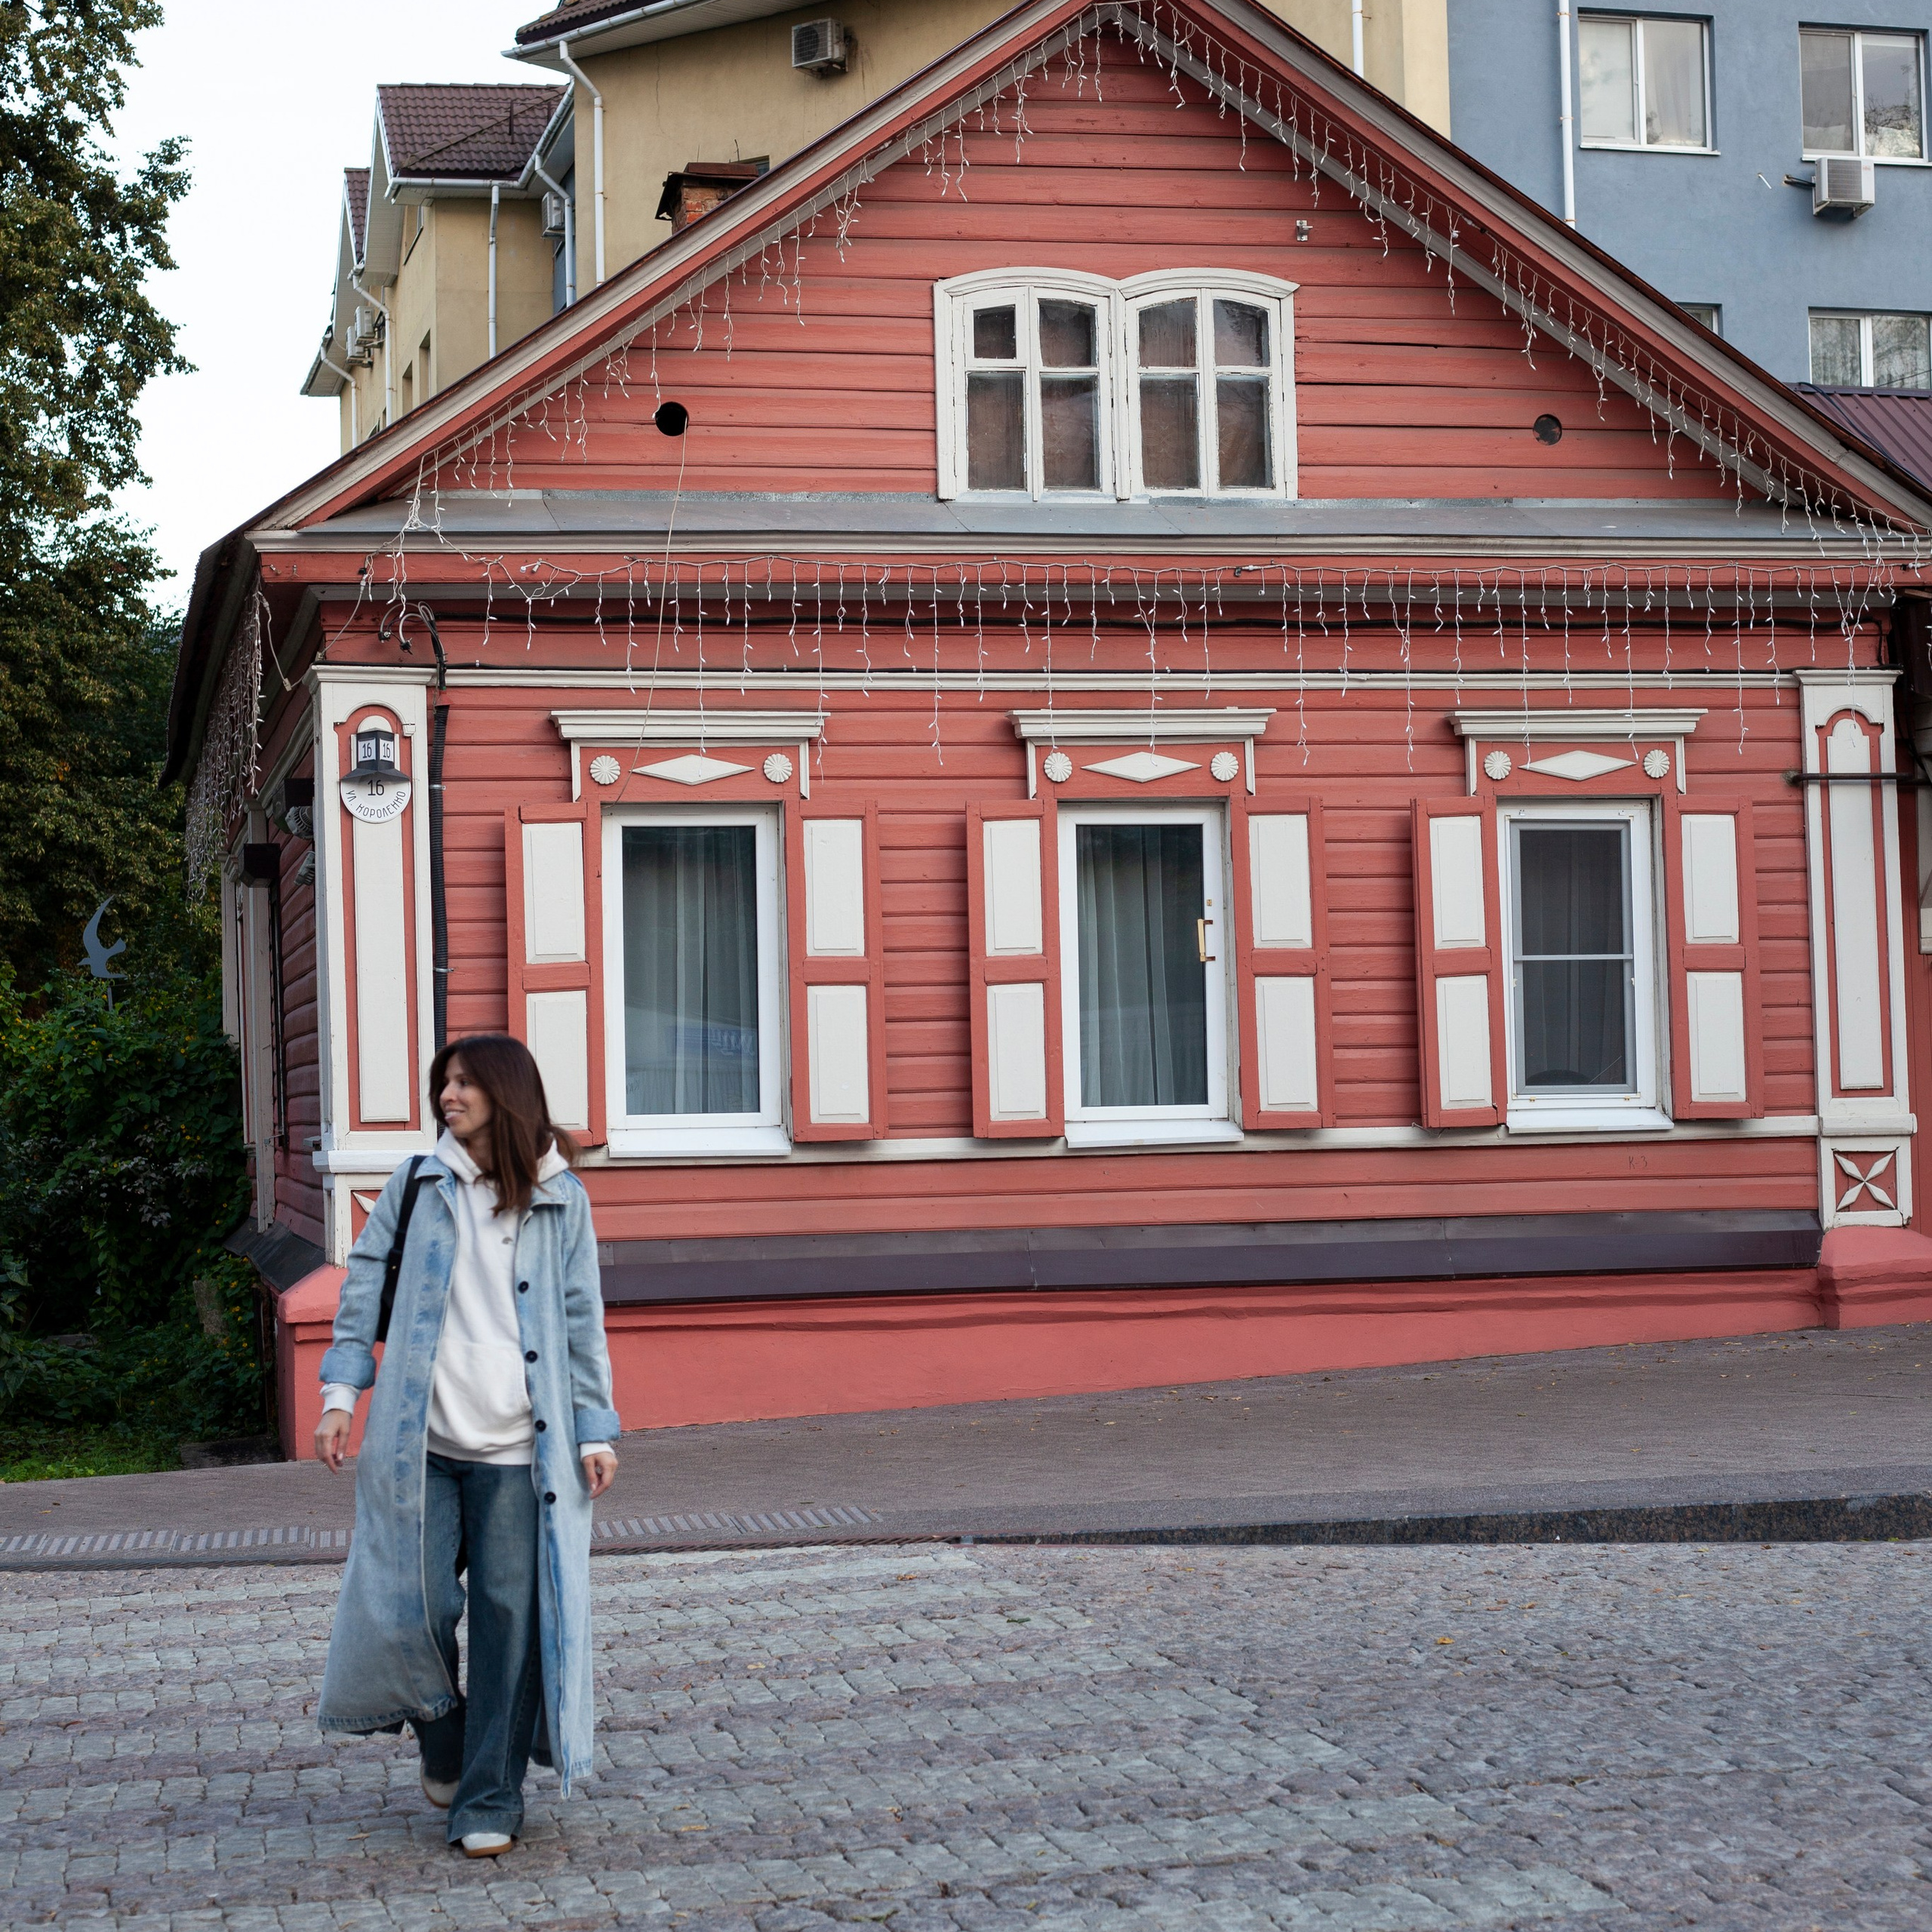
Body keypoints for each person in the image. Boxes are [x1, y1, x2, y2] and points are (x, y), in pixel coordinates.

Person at [312, 1034, 620, 1857]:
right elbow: (363, 1287)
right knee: (407, 1604)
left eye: (464, 1083)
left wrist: (595, 1429)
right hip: (422, 1444)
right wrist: (341, 1395)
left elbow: (582, 1327)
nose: (447, 1095)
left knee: (507, 1620)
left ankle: (488, 1795)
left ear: (505, 1093)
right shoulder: (417, 1186)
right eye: (443, 1082)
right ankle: (445, 1736)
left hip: (522, 1451)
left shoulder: (561, 1199)